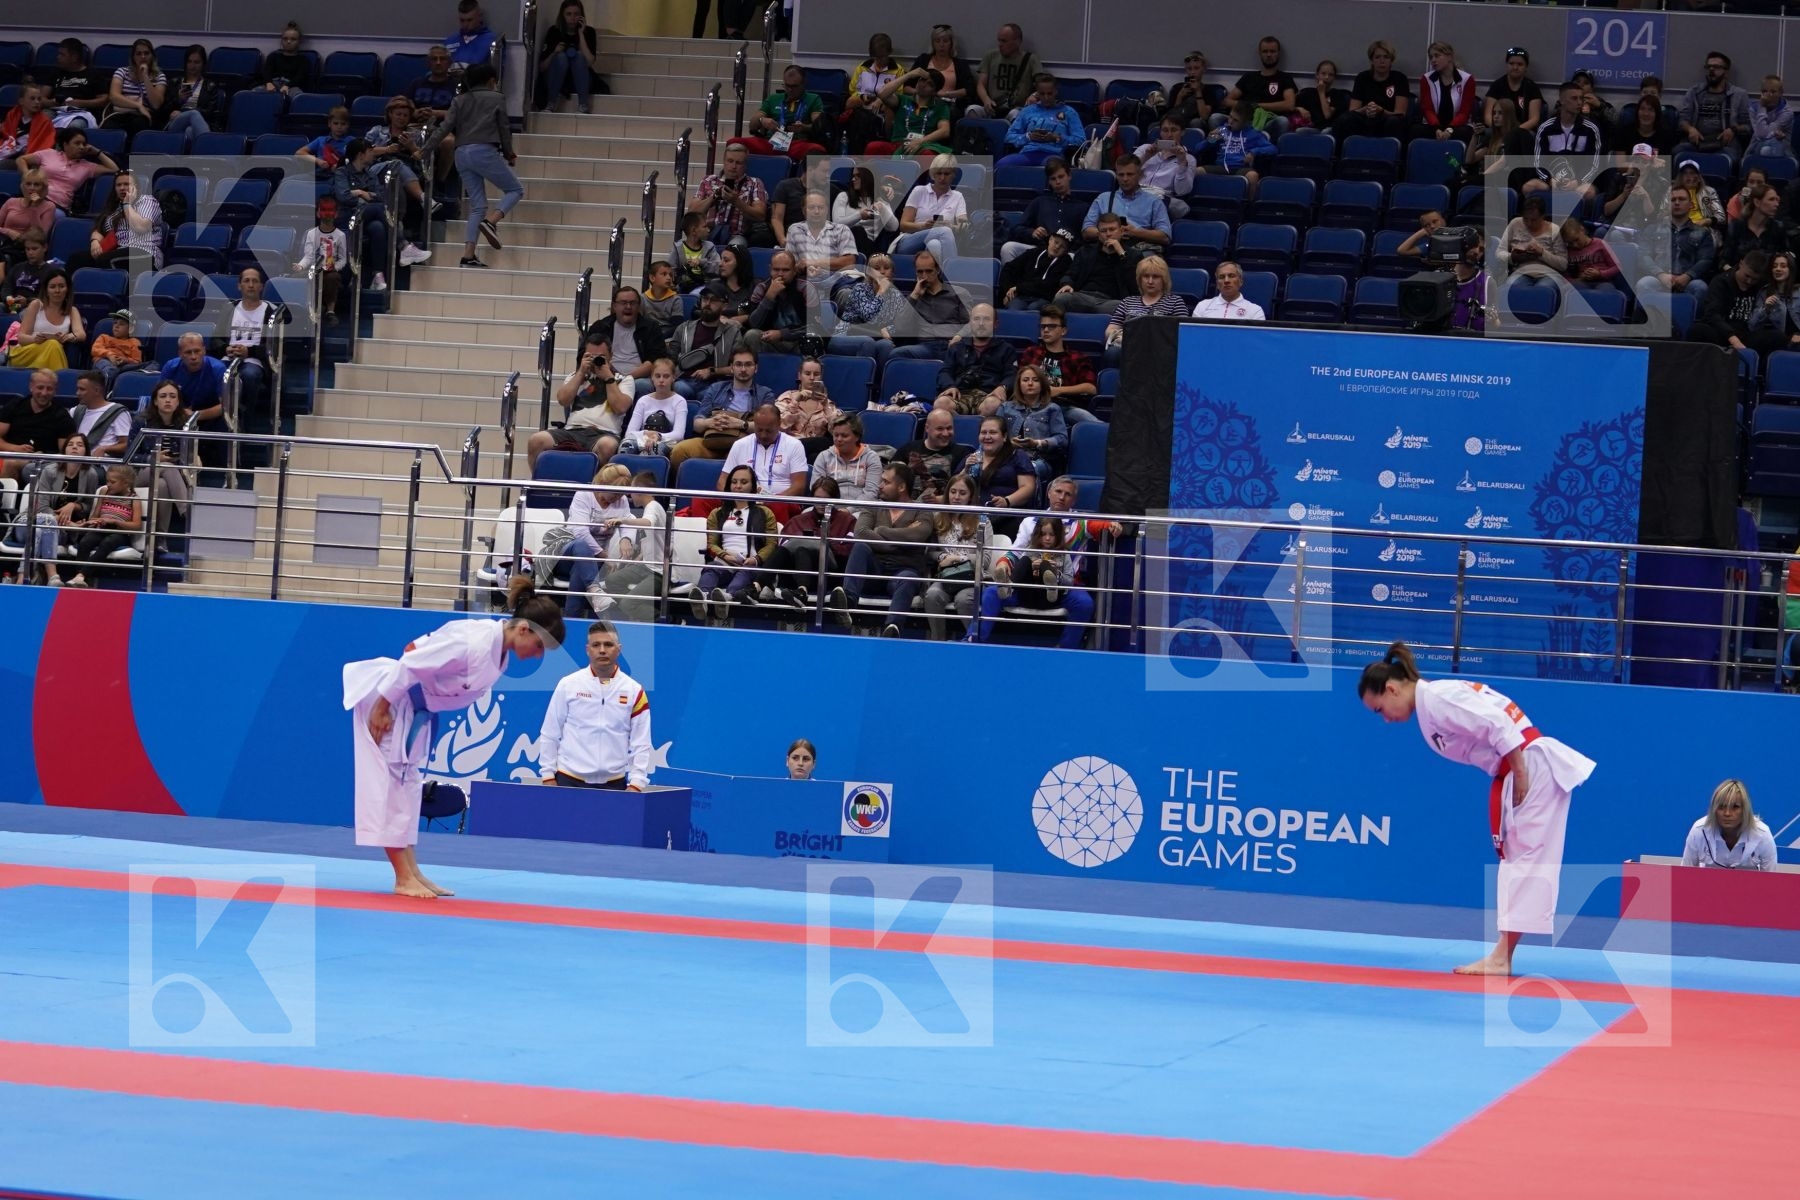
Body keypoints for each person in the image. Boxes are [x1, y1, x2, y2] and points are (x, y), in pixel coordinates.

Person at [1358, 641, 1595, 976]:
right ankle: (1503, 955)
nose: (1384, 719)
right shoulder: (1434, 702)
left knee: (1523, 860)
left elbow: (1499, 724)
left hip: (1527, 765)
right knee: (1520, 859)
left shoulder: (1437, 700)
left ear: (1392, 689)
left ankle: (1502, 956)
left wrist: (1522, 772)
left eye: (1379, 708)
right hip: (1520, 765)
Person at [343, 576, 564, 898]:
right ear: (524, 630)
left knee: (407, 789)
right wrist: (382, 706)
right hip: (393, 701)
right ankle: (402, 877)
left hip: (415, 710)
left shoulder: (497, 650)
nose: (537, 656)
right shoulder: (473, 641)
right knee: (390, 788)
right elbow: (410, 660)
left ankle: (412, 872)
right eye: (540, 647)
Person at [423, 63, 521, 269]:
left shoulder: (459, 99)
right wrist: (509, 153)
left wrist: (424, 150)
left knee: (478, 205)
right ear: (491, 80)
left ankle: (468, 256)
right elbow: (504, 128)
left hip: (461, 153)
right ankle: (492, 221)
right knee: (515, 190)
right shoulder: (497, 98)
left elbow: (444, 128)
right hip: (483, 150)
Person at [538, 622, 652, 791]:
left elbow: (641, 742)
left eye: (608, 644)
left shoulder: (634, 691)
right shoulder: (568, 684)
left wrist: (637, 783)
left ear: (619, 649)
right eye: (596, 645)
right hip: (569, 780)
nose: (602, 650)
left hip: (614, 784)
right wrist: (548, 776)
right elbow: (550, 732)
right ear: (587, 649)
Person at [1681, 779, 1776, 870]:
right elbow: (1684, 875)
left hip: (1750, 886)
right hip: (1706, 884)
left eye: (1735, 807)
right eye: (1721, 807)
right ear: (1714, 809)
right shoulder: (1699, 831)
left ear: (1745, 810)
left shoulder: (1763, 835)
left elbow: (1771, 881)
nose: (1727, 813)